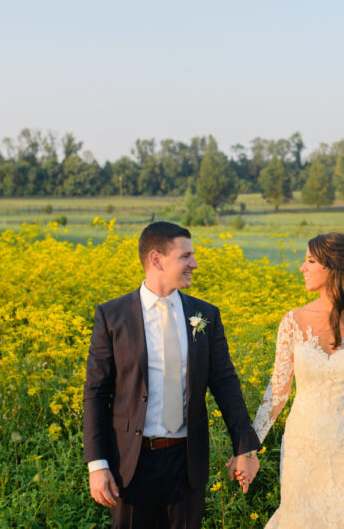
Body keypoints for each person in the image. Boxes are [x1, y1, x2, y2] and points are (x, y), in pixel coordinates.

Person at [83, 221, 261, 528]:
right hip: (131, 464)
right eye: (185, 256)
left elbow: (225, 383)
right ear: (156, 259)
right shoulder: (113, 316)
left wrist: (245, 447)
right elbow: (96, 393)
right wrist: (97, 465)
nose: (194, 263)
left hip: (186, 463)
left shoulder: (205, 315)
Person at [243, 232, 344, 527]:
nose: (302, 268)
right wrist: (249, 448)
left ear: (334, 267)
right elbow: (277, 391)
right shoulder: (293, 321)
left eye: (310, 261)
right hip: (304, 446)